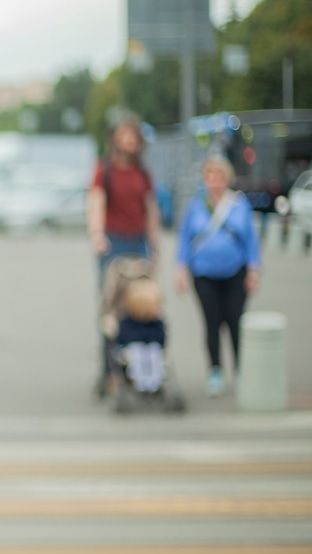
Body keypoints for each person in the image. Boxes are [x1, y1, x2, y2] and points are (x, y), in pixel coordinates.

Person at [87, 114, 162, 395]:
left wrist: (154, 244)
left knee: (142, 304)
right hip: (113, 243)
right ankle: (108, 370)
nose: (129, 141)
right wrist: (97, 235)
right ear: (116, 138)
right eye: (124, 135)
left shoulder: (143, 173)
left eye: (133, 136)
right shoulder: (104, 170)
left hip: (138, 242)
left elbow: (150, 209)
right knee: (110, 308)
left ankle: (142, 364)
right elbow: (96, 202)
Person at [176, 154, 262, 396]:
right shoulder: (195, 207)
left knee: (235, 321)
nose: (214, 181)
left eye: (219, 176)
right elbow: (185, 241)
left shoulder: (238, 205)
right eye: (209, 176)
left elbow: (250, 241)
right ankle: (215, 370)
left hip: (235, 272)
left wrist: (254, 270)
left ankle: (241, 370)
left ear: (227, 179)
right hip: (203, 273)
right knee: (212, 323)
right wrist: (181, 269)